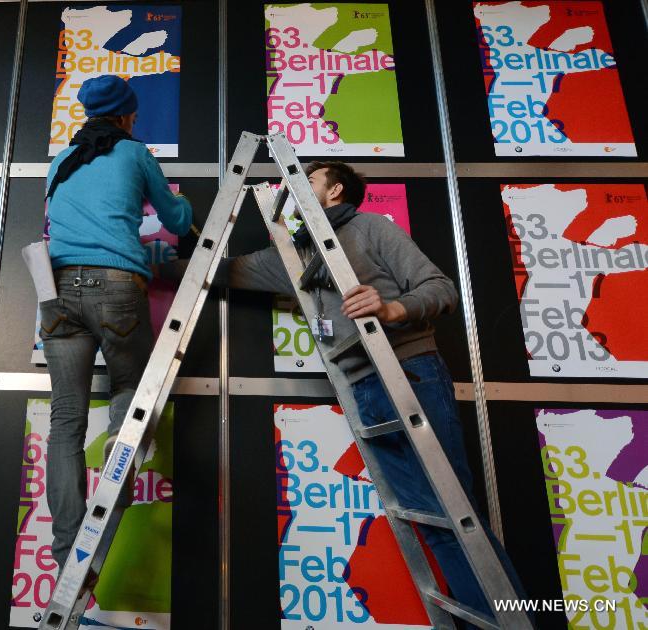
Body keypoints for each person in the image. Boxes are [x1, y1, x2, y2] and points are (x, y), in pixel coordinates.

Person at [160, 160, 527, 624]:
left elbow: (439, 287)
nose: (296, 190)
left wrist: (392, 307)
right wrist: (139, 264)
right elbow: (222, 271)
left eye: (309, 180)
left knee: (457, 513)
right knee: (429, 516)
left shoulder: (372, 227)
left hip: (410, 371)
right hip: (364, 388)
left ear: (334, 189)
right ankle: (486, 618)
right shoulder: (295, 258)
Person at [40, 74, 192, 574]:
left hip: (57, 290)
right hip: (117, 288)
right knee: (128, 401)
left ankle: (67, 556)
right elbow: (173, 217)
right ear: (127, 114)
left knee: (65, 422)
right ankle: (99, 539)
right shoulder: (134, 153)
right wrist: (185, 205)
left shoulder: (61, 161)